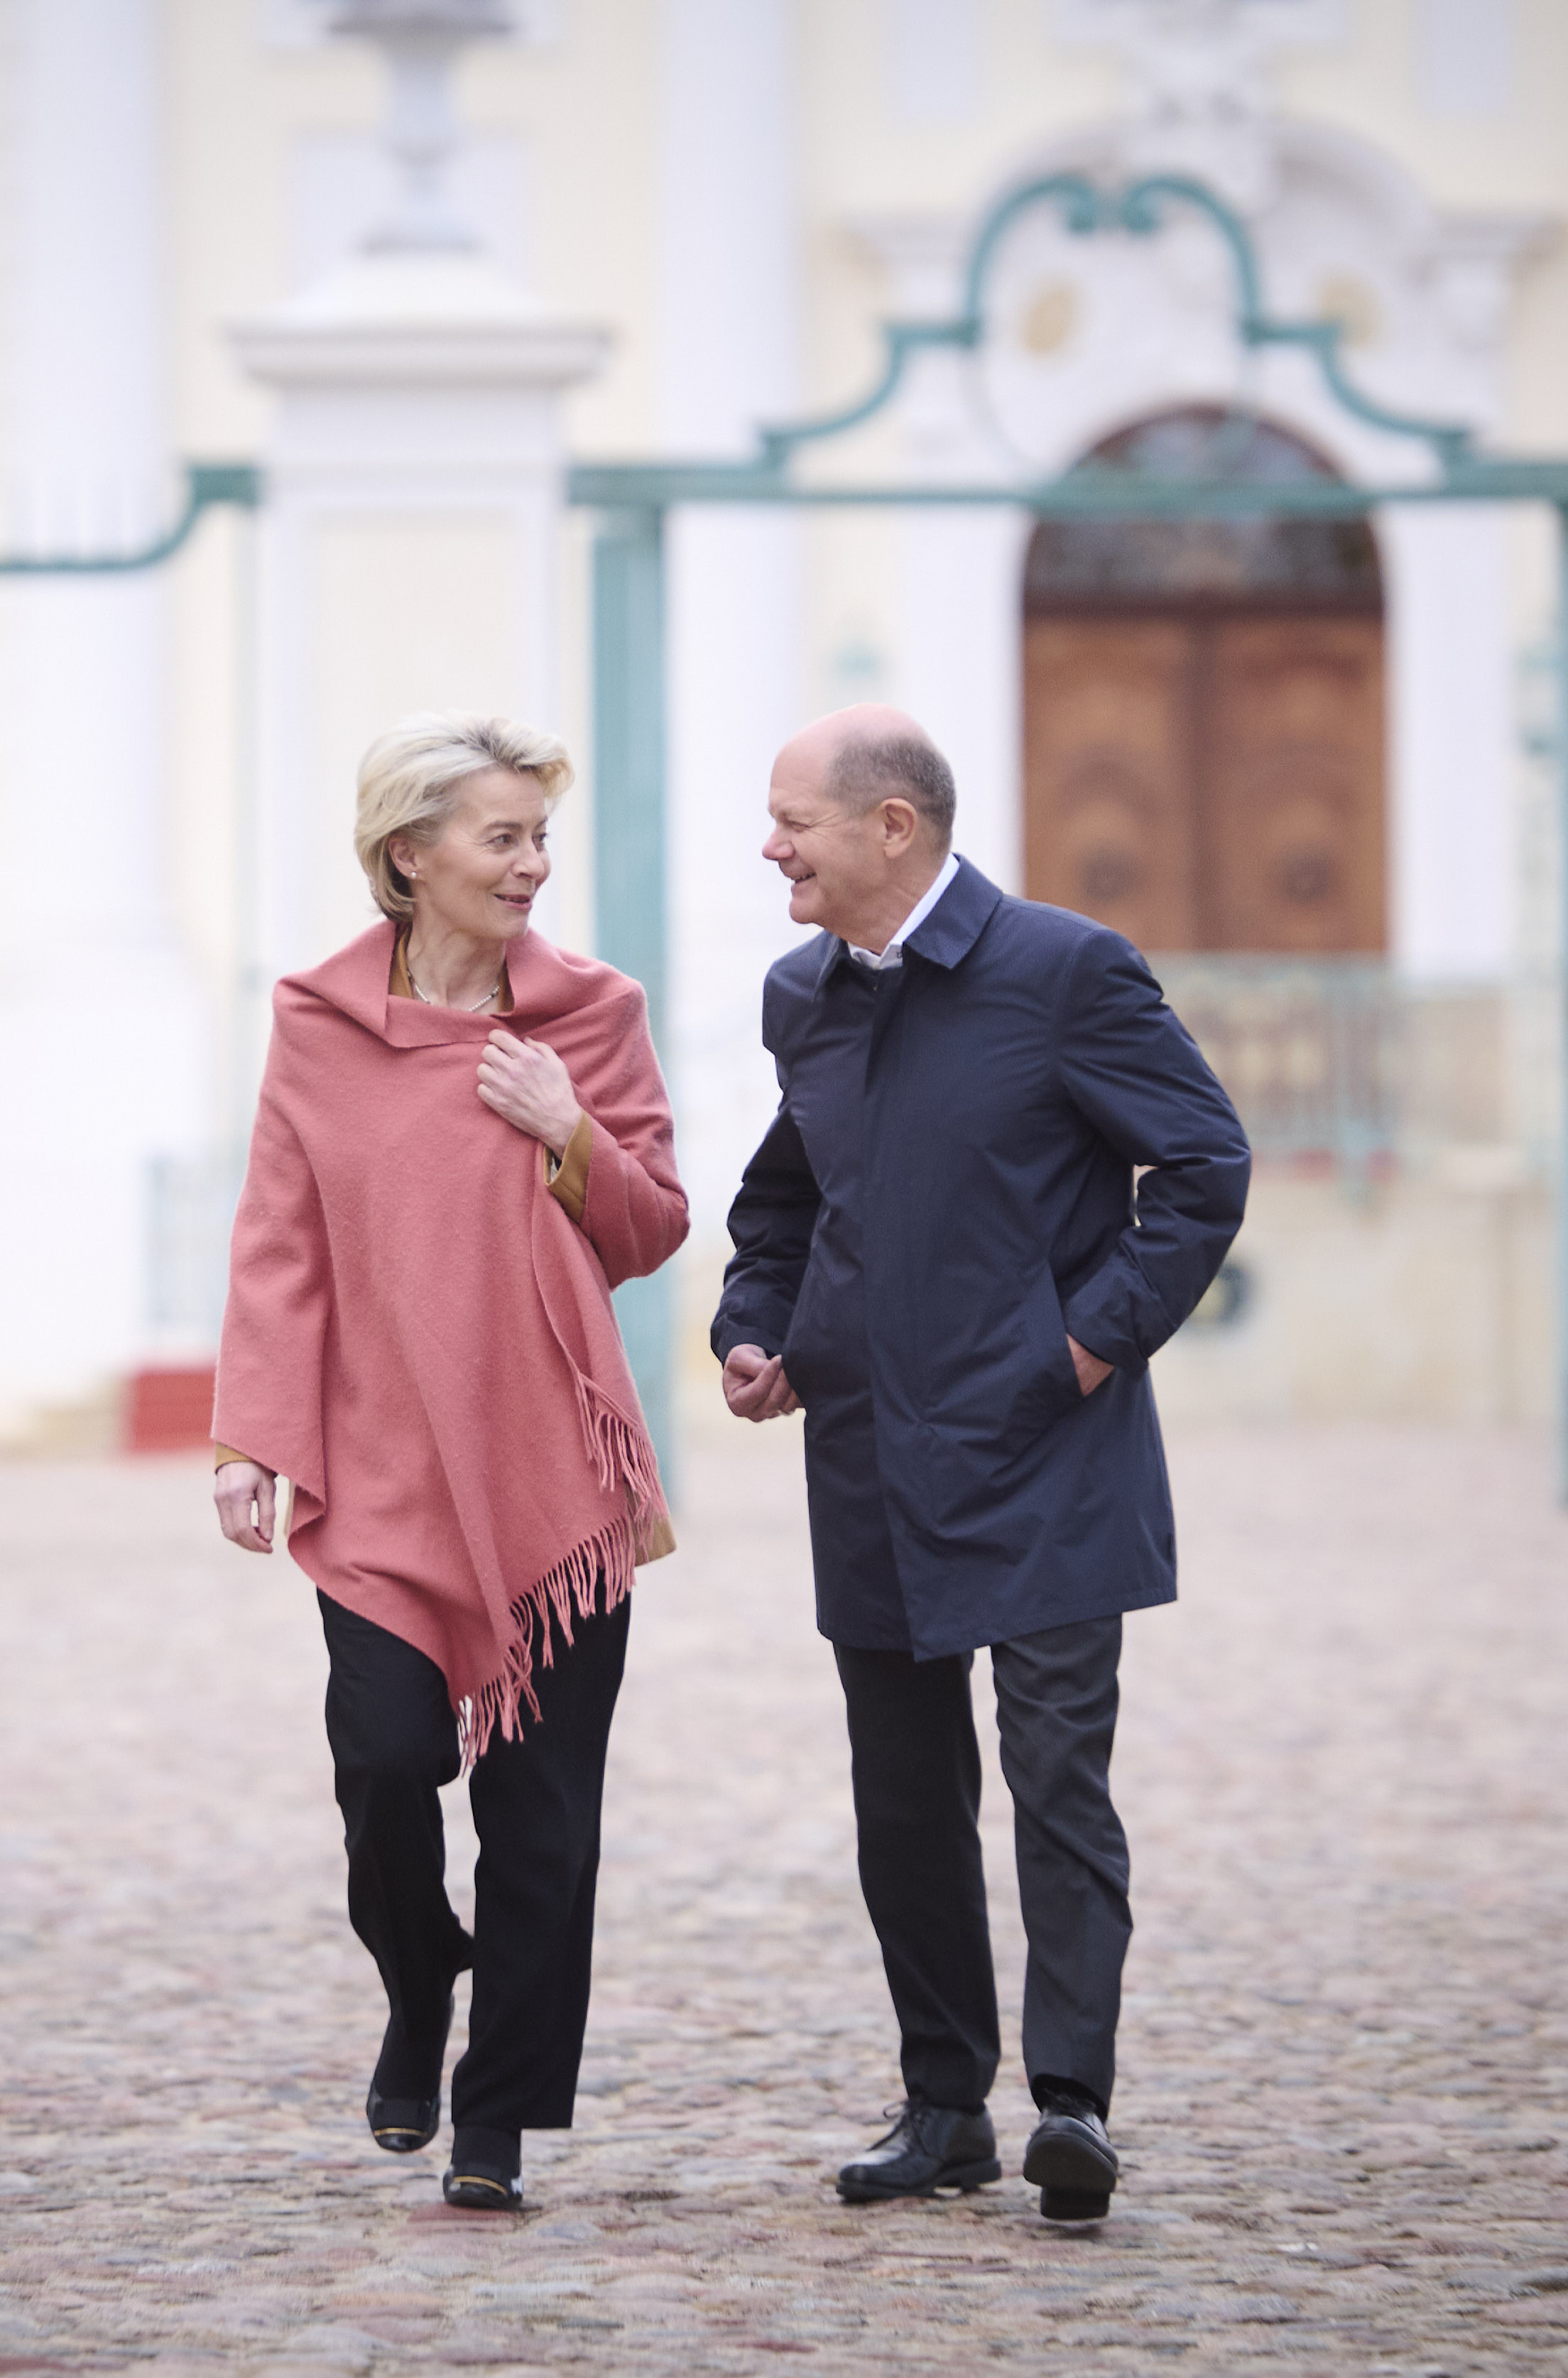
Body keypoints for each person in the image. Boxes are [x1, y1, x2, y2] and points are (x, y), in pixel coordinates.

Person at [712, 704, 1247, 2223]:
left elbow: (1201, 1165)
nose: (770, 849)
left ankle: (1070, 2104)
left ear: (893, 829)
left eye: (791, 821)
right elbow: (784, 1198)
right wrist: (757, 1331)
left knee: (1055, 1780)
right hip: (871, 1455)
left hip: (1046, 1449)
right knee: (903, 1799)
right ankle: (943, 2106)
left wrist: (1083, 1348)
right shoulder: (800, 995)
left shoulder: (1064, 972)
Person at [210, 712, 687, 2213]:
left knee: (543, 1815)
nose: (533, 866)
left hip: (553, 1465)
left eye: (541, 838)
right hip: (381, 1470)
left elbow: (651, 1225)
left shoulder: (588, 1015)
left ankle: (492, 2124)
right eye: (503, 838)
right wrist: (252, 1435)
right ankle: (419, 1975)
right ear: (406, 857)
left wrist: (565, 1132)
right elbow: (280, 1240)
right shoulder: (316, 1021)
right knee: (383, 1762)